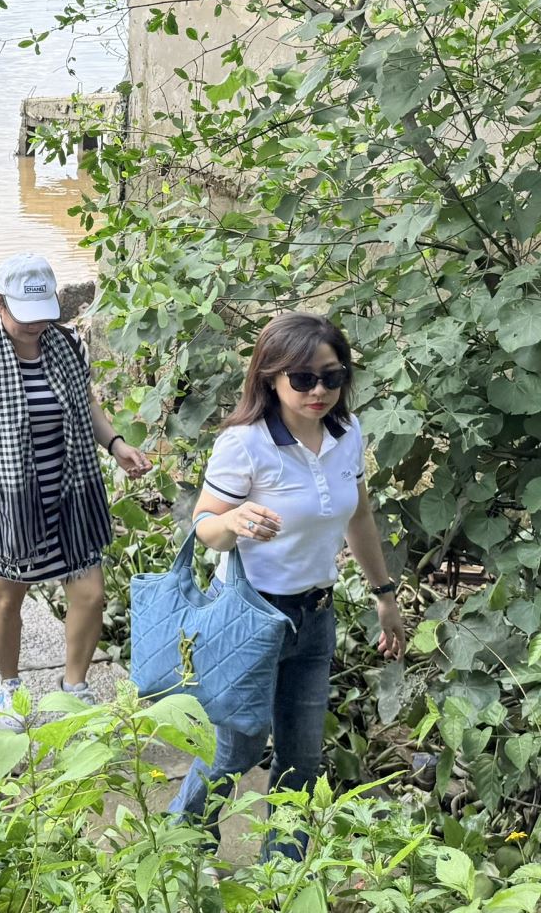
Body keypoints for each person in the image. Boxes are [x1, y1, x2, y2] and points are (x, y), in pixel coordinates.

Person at [168, 312, 405, 861]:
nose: (318, 390)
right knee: (237, 747)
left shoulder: (347, 433)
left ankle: (283, 875)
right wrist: (233, 521)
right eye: (302, 378)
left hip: (315, 615)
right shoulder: (245, 444)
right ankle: (184, 847)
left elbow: (359, 516)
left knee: (302, 757)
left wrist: (384, 594)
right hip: (249, 617)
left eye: (332, 376)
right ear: (270, 377)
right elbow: (204, 527)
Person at [0, 253, 152, 726]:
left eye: (43, 315)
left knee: (90, 592)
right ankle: (11, 688)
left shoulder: (68, 343)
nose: (36, 326)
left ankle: (74, 685)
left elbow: (86, 404)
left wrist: (116, 444)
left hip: (71, 487)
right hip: (10, 496)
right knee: (8, 597)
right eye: (24, 315)